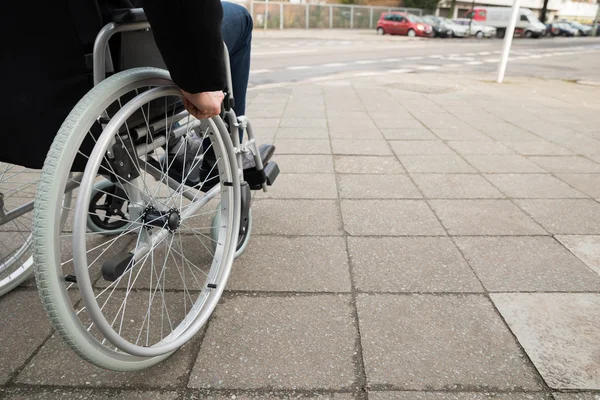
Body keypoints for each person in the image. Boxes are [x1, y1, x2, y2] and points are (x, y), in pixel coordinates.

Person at [1, 0, 273, 186]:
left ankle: (175, 142)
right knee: (240, 18)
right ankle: (223, 155)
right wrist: (199, 82)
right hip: (103, 63)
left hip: (21, 101)